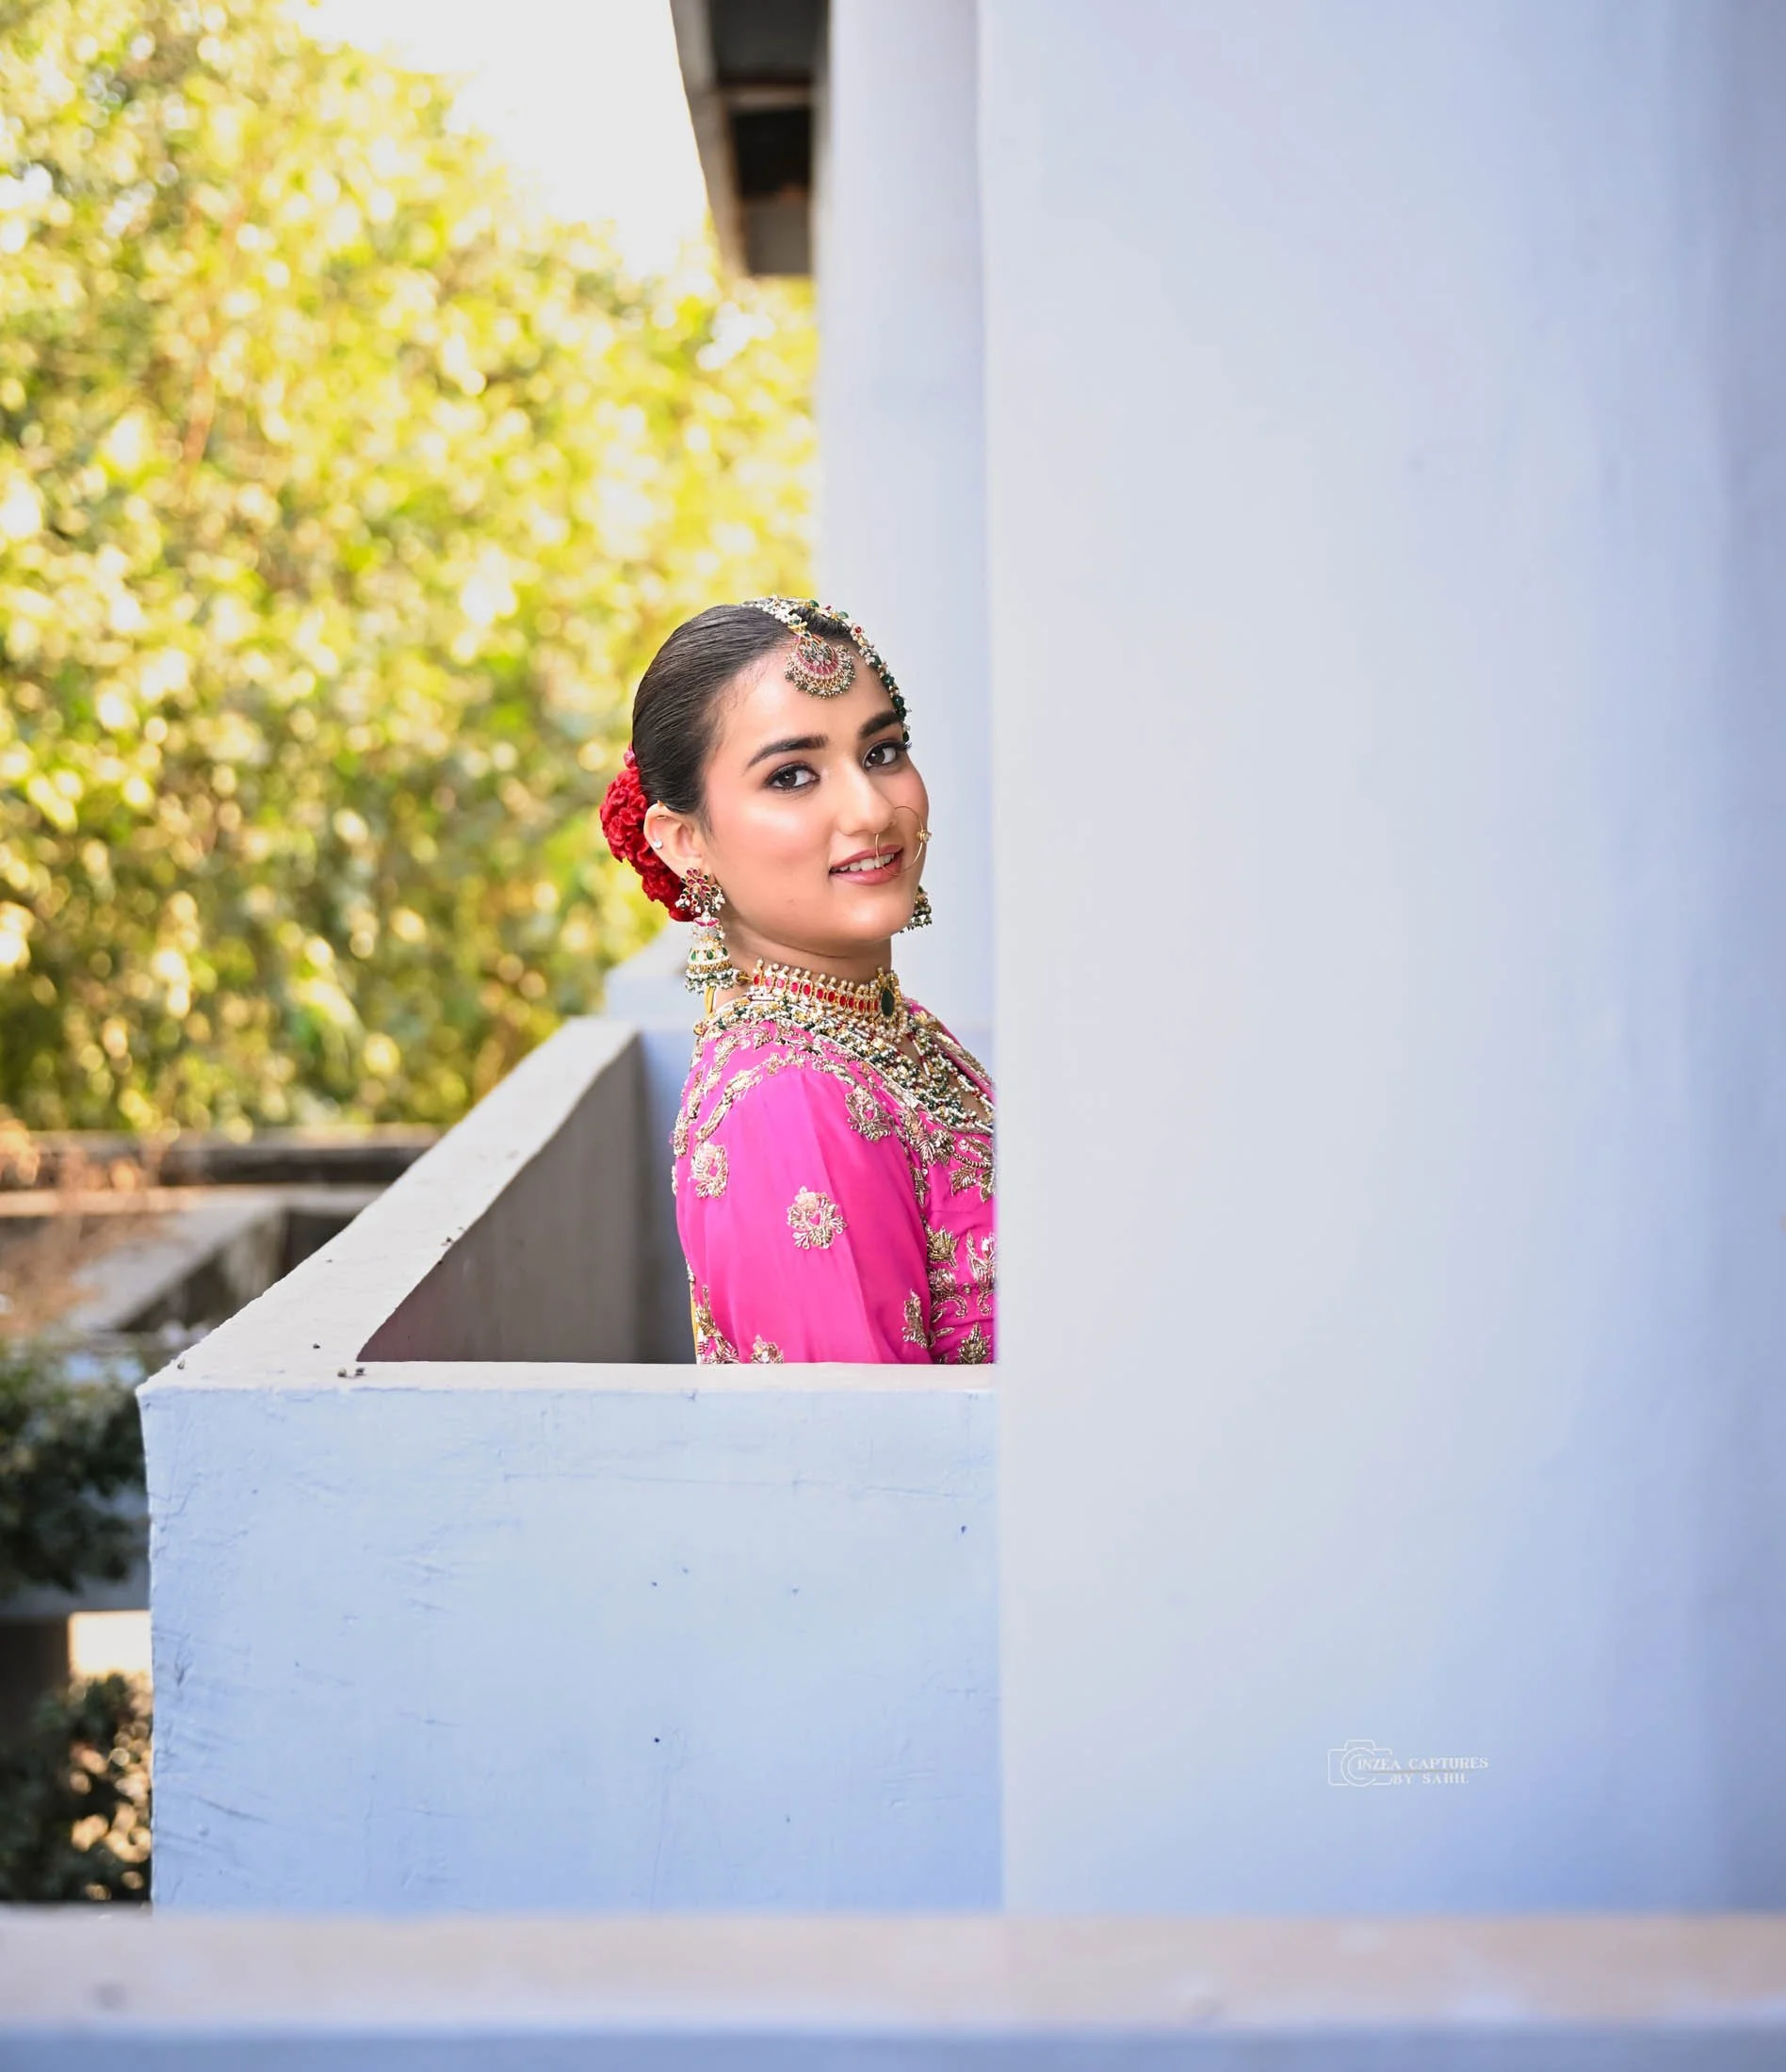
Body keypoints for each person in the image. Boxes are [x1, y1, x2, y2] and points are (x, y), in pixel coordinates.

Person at [599, 599, 995, 1364]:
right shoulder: (789, 1103)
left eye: (882, 752)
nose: (873, 808)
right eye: (793, 776)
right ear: (685, 842)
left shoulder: (900, 1034)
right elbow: (874, 1462)